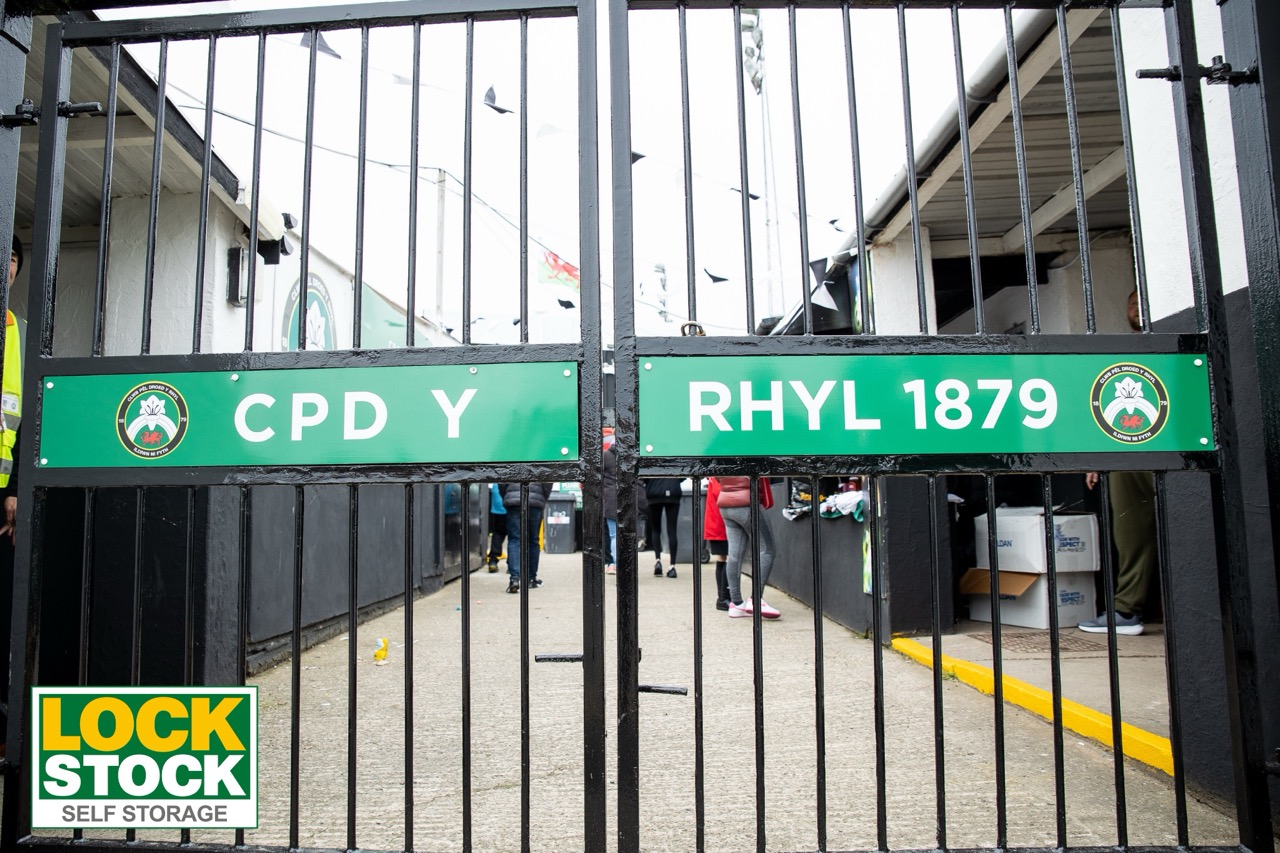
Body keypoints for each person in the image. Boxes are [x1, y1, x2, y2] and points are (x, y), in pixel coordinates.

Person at [1078, 289, 1156, 637]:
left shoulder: (1173, 342)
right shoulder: (1123, 351)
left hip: (1175, 449)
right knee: (1130, 533)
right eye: (1131, 302)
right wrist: (1099, 457)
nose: (1136, 307)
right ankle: (1127, 610)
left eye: (1142, 300)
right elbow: (1105, 407)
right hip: (1129, 453)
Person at [0, 236, 25, 757]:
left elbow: (26, 418)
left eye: (15, 259)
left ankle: (2, 732)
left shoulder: (18, 331)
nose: (8, 266)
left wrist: (18, 490)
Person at [716, 476, 780, 619]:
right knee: (767, 550)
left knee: (734, 555)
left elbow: (717, 476)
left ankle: (736, 604)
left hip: (726, 503)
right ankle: (756, 599)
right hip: (747, 501)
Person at [501, 481, 552, 594]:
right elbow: (548, 481)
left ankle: (514, 579)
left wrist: (508, 495)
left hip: (514, 501)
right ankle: (531, 579)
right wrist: (542, 497)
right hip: (535, 501)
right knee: (533, 540)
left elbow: (501, 481)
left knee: (514, 539)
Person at [645, 477, 682, 578]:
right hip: (673, 490)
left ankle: (658, 561)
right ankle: (672, 566)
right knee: (672, 530)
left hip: (654, 492)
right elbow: (683, 474)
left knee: (655, 529)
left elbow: (644, 475)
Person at [704, 478, 730, 610]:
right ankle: (724, 597)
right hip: (721, 524)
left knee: (722, 558)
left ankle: (722, 597)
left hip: (716, 523)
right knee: (729, 557)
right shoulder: (717, 479)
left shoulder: (712, 478)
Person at [602, 433, 618, 574]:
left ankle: (614, 564)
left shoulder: (605, 456)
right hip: (628, 497)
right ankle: (624, 564)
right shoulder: (628, 456)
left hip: (610, 498)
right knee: (628, 534)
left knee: (613, 535)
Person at [485, 483, 506, 572]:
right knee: (515, 537)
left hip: (497, 503)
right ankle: (513, 564)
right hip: (512, 503)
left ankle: (493, 560)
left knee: (498, 532)